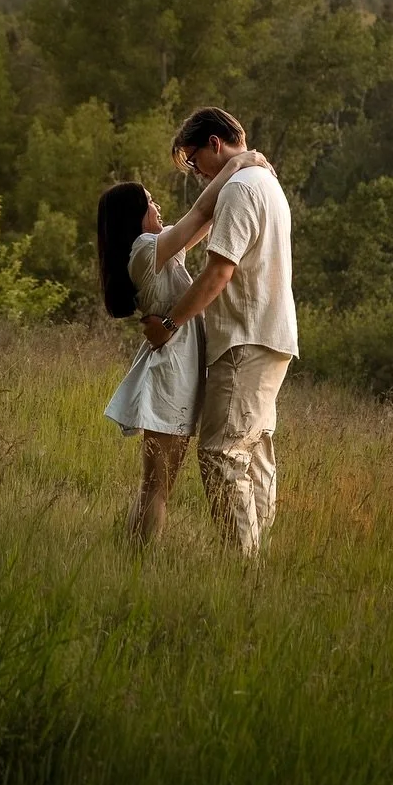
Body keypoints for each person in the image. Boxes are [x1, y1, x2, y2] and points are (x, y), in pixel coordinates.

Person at [142, 105, 297, 558]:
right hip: (271, 335)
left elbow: (218, 273)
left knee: (220, 454)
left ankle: (242, 564)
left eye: (193, 161)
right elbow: (194, 229)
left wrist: (170, 324)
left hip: (244, 338)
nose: (194, 172)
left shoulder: (240, 189)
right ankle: (255, 556)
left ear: (213, 143)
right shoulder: (262, 182)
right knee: (255, 452)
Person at [97, 148, 271, 544]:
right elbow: (196, 214)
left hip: (179, 372)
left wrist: (232, 175)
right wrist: (238, 164)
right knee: (157, 485)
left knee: (160, 485)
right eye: (149, 202)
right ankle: (137, 561)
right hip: (169, 375)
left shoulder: (157, 251)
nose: (156, 205)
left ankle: (136, 557)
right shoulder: (143, 249)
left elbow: (205, 220)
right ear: (133, 216)